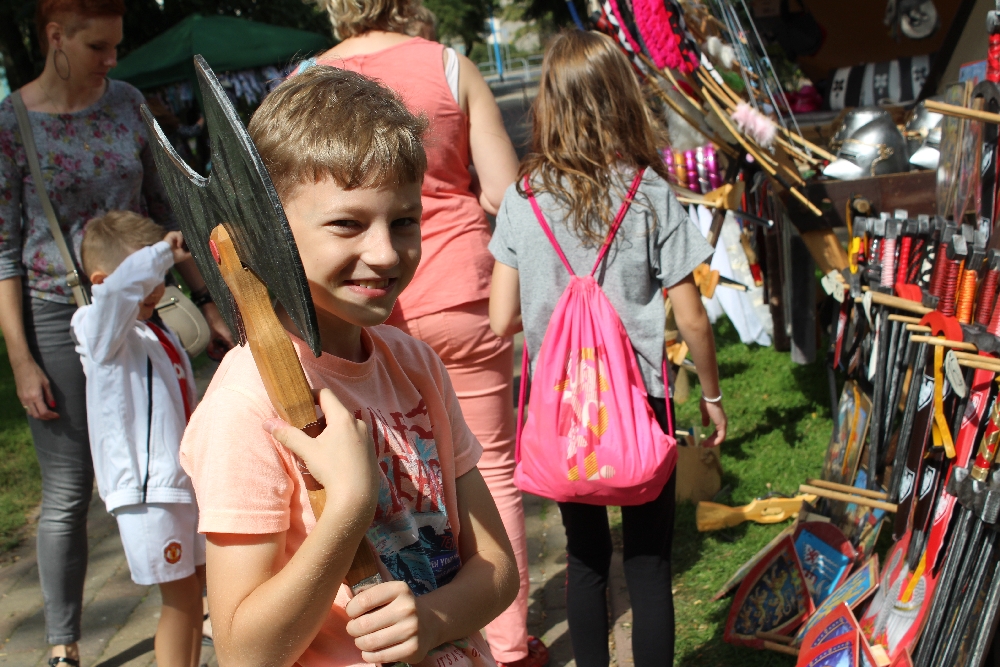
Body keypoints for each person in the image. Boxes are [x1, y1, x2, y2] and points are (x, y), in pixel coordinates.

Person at [179, 65, 519, 667]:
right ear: (267, 228)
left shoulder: (414, 366)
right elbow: (243, 654)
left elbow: (497, 571)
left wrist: (431, 620)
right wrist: (348, 508)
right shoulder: (245, 407)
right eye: (347, 223)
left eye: (405, 220)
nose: (386, 253)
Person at [299, 3, 538, 665]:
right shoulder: (448, 64)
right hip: (467, 290)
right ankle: (509, 645)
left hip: (366, 315)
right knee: (489, 469)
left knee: (393, 482)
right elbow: (502, 192)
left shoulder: (306, 84)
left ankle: (415, 623)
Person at [0, 2, 232, 664]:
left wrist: (209, 299)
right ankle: (63, 638)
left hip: (141, 300)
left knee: (166, 434)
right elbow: (3, 248)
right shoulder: (12, 124)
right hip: (61, 311)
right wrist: (21, 357)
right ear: (55, 38)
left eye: (116, 45)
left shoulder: (127, 104)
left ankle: (190, 588)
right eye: (98, 45)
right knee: (69, 485)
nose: (112, 60)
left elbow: (167, 211)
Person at [488, 31, 728, 667]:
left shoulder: (522, 198)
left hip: (564, 408)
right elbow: (693, 318)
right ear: (621, 98)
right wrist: (711, 394)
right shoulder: (648, 193)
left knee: (585, 558)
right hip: (641, 399)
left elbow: (500, 317)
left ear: (549, 104)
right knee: (649, 565)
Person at [72, 212, 205, 667]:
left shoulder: (147, 331)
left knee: (198, 594)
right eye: (148, 274)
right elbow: (119, 291)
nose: (158, 286)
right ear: (103, 281)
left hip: (179, 484)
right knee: (181, 598)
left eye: (161, 277)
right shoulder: (97, 329)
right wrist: (163, 252)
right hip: (148, 494)